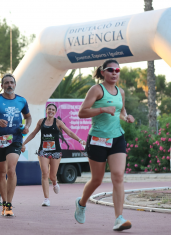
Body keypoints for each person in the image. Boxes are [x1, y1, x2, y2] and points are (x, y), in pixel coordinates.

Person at [74, 59, 134, 231]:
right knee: (97, 179)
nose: (114, 73)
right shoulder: (96, 90)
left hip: (117, 138)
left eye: (117, 70)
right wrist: (101, 109)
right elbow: (81, 112)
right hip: (98, 140)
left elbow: (121, 112)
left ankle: (119, 218)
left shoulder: (120, 92)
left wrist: (126, 117)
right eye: (110, 70)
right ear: (103, 72)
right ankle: (81, 203)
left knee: (118, 176)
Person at [0, 73, 32, 216]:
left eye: (11, 82)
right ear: (2, 86)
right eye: (6, 83)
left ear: (15, 85)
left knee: (11, 169)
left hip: (15, 139)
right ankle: (4, 203)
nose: (9, 85)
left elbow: (28, 117)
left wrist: (27, 126)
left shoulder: (22, 101)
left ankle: (9, 204)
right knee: (1, 173)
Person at [21, 103, 86, 206]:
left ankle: (55, 182)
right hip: (43, 151)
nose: (50, 111)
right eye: (49, 109)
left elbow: (69, 133)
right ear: (46, 111)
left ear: (55, 112)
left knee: (52, 176)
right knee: (44, 173)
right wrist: (23, 143)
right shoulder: (41, 122)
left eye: (53, 110)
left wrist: (80, 140)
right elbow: (33, 134)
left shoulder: (58, 122)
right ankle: (46, 199)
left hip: (56, 152)